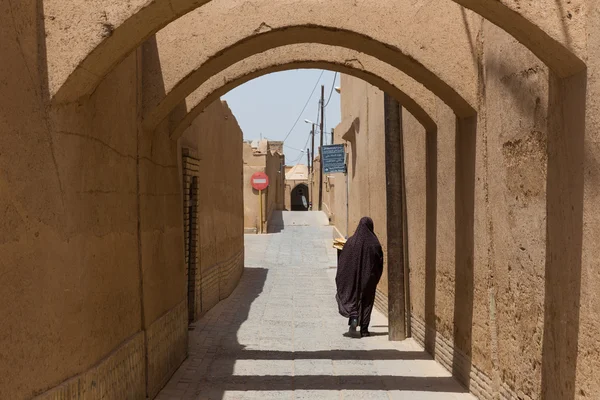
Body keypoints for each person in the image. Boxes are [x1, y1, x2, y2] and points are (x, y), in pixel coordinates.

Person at [335, 217, 384, 338]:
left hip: (353, 279)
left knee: (353, 297)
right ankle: (365, 329)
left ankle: (354, 320)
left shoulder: (351, 242)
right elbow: (379, 262)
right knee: (367, 302)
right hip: (369, 280)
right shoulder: (375, 244)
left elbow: (343, 260)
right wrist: (374, 277)